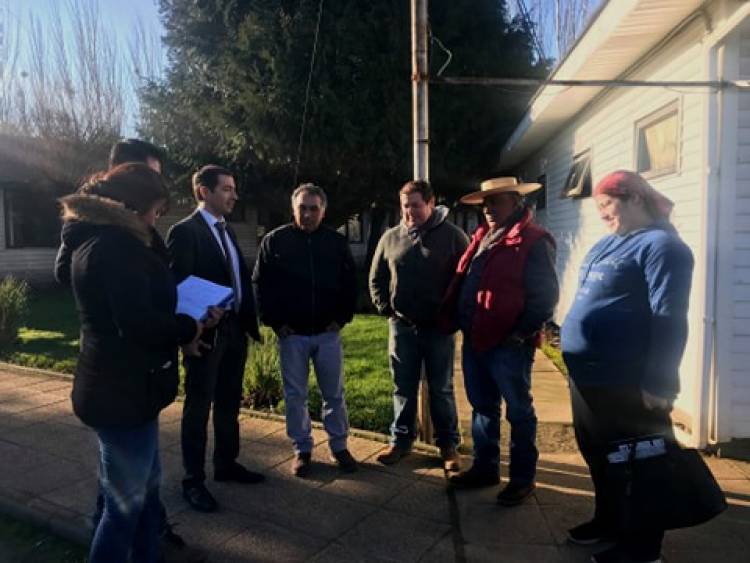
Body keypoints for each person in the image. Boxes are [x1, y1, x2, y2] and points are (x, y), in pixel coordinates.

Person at [53, 138, 205, 563]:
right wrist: (188, 325)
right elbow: (138, 323)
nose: (158, 219)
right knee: (122, 510)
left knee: (142, 491)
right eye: (156, 211)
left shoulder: (105, 239)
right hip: (121, 391)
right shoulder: (116, 249)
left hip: (125, 387)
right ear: (133, 208)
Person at [561, 170, 694, 563]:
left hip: (627, 381)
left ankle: (642, 548)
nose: (602, 213)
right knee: (600, 455)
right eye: (598, 205)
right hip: (588, 377)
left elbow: (670, 318)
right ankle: (609, 522)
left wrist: (659, 382)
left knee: (641, 462)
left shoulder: (664, 247)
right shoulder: (609, 244)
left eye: (607, 204)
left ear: (636, 198)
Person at [442, 177, 559, 506]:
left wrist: (520, 333)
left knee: (519, 412)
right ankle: (485, 468)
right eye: (485, 203)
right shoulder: (482, 237)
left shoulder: (534, 240)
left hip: (509, 344)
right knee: (482, 409)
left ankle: (523, 479)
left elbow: (546, 296)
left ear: (516, 202)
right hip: (476, 337)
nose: (489, 208)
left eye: (497, 201)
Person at [167, 165, 264, 513]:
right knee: (198, 406)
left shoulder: (228, 230)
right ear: (203, 192)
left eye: (234, 188)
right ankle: (193, 481)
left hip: (235, 330)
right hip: (204, 336)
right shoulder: (185, 232)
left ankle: (226, 463)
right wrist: (190, 332)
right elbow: (177, 288)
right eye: (226, 189)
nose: (234, 195)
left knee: (228, 402)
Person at [253, 183, 358, 477]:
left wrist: (342, 318)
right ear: (293, 209)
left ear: (323, 211)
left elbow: (350, 283)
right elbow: (261, 285)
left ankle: (339, 446)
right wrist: (276, 322)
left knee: (334, 394)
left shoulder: (336, 243)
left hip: (327, 333)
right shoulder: (275, 241)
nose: (308, 214)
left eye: (314, 208)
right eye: (303, 208)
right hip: (293, 335)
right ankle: (302, 448)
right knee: (295, 394)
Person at [369, 180, 468, 470]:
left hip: (438, 330)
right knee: (403, 387)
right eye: (405, 205)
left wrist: (452, 316)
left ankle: (448, 446)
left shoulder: (453, 236)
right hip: (402, 328)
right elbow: (376, 278)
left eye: (415, 204)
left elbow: (464, 280)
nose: (410, 211)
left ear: (430, 202)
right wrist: (387, 310)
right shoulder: (390, 237)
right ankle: (400, 441)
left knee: (441, 388)